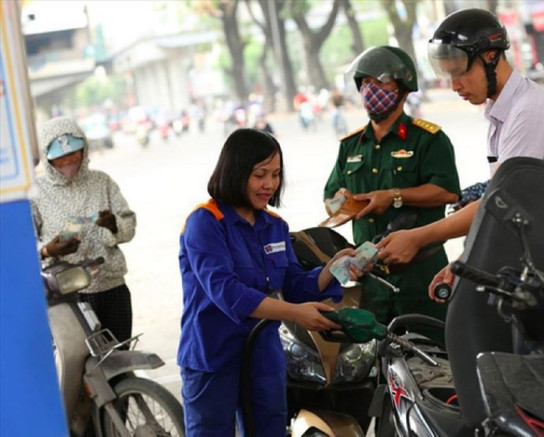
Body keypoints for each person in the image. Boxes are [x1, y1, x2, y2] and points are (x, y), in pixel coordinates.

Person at [377, 9, 544, 284]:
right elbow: (502, 204)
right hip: (527, 270)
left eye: (460, 72)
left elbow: (498, 202)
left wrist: (419, 237)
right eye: (448, 76)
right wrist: (466, 262)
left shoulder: (528, 111)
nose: (454, 85)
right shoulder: (501, 112)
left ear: (491, 56)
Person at [178, 128, 361, 436]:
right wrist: (296, 314)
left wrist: (330, 269)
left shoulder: (274, 225)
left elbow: (292, 285)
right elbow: (227, 293)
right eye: (259, 174)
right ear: (235, 172)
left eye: (276, 175)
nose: (269, 184)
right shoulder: (205, 222)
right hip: (212, 354)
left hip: (263, 353)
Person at [323, 45, 461, 333]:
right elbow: (331, 196)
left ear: (403, 88)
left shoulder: (428, 139)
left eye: (379, 82)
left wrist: (394, 196)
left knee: (433, 359)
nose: (369, 90)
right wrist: (341, 203)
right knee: (378, 361)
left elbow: (448, 192)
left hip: (422, 273)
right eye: (365, 84)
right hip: (370, 277)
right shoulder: (350, 146)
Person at [32, 116, 136, 344]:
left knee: (118, 356)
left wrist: (114, 225)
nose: (68, 162)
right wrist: (48, 250)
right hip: (65, 293)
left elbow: (129, 228)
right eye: (60, 159)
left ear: (84, 150)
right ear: (48, 160)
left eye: (73, 155)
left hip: (110, 286)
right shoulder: (37, 193)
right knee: (77, 363)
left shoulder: (102, 182)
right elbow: (24, 246)